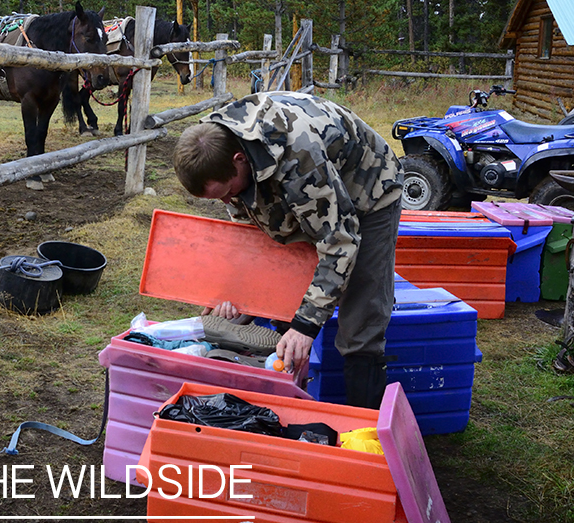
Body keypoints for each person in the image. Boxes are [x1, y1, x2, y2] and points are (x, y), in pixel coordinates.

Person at [173, 91, 403, 409]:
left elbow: (339, 242)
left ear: (239, 161)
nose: (226, 203)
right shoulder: (219, 141)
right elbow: (251, 239)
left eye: (226, 193)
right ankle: (290, 390)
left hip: (369, 190)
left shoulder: (302, 161)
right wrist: (235, 292)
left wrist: (305, 327)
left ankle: (362, 428)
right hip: (298, 185)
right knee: (281, 292)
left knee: (360, 320)